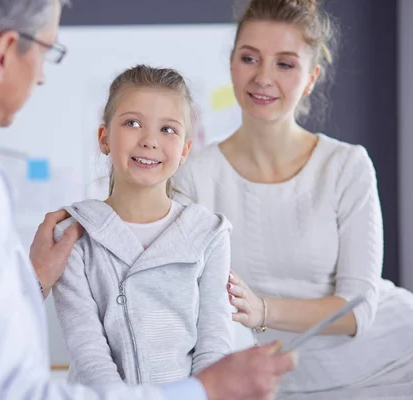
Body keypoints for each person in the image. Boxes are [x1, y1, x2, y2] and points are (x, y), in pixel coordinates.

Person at [0, 0, 296, 399]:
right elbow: (2, 391)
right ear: (3, 53)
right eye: (47, 52)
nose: (42, 76)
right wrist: (201, 392)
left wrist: (31, 280)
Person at [174, 0, 413, 398]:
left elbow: (359, 309)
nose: (263, 77)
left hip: (390, 356)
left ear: (310, 77)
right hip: (269, 378)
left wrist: (262, 308)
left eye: (285, 64)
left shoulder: (346, 166)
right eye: (250, 58)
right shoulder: (194, 177)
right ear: (232, 63)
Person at [53, 65, 233, 386]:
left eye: (168, 129)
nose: (150, 140)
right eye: (132, 123)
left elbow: (213, 348)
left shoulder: (209, 234)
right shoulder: (74, 234)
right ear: (104, 137)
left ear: (185, 151)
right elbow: (90, 355)